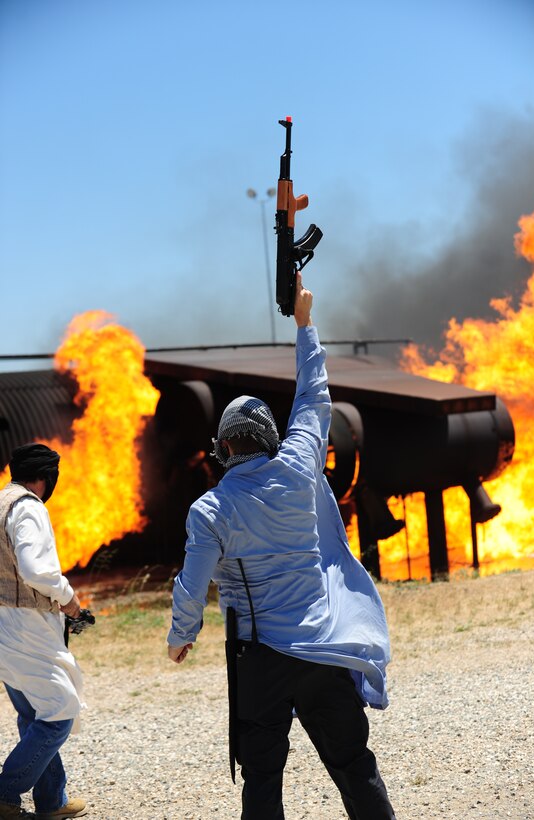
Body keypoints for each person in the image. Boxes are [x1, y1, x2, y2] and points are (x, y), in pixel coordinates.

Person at [168, 274, 396, 819]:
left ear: (222, 448)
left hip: (259, 657)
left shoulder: (209, 511)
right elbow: (315, 395)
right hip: (320, 648)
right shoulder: (298, 469)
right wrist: (304, 322)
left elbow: (191, 587)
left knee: (263, 778)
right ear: (271, 440)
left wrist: (182, 636)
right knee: (354, 766)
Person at [0, 444, 87, 820]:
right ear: (46, 478)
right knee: (60, 711)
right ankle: (4, 791)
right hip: (26, 627)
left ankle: (52, 801)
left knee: (34, 712)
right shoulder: (29, 508)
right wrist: (68, 598)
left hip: (4, 625)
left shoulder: (1, 500)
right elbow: (37, 571)